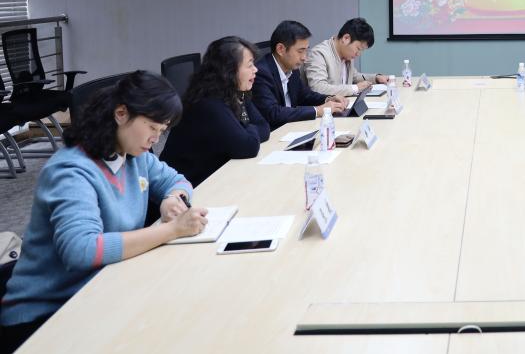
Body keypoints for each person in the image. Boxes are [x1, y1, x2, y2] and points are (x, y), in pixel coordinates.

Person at [0, 72, 207, 353]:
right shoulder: (71, 171)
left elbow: (177, 181)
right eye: (152, 127)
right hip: (45, 315)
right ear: (121, 114)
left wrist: (172, 199)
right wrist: (170, 230)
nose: (156, 138)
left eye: (162, 130)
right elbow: (82, 250)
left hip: (98, 290)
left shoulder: (135, 155)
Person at [161, 36, 271, 187]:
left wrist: (246, 130)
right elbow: (248, 147)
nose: (255, 70)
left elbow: (264, 126)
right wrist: (247, 129)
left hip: (217, 175)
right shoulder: (208, 103)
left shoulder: (236, 92)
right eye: (250, 65)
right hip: (189, 187)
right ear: (229, 70)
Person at [252, 20, 346, 129]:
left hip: (292, 127)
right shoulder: (260, 73)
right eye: (300, 51)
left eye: (306, 51)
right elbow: (273, 112)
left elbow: (305, 95)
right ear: (280, 49)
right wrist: (317, 110)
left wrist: (328, 99)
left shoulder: (292, 67)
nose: (304, 57)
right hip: (274, 133)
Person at [303, 17, 388, 97]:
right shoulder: (319, 54)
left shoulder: (346, 55)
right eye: (358, 48)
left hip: (343, 104)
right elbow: (318, 88)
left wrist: (376, 78)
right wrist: (355, 88)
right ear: (346, 38)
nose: (358, 54)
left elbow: (354, 77)